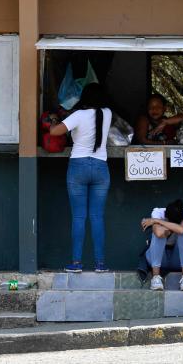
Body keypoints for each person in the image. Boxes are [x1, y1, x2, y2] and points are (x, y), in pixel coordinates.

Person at [50, 82, 112, 273]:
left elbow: (55, 132)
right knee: (97, 217)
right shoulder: (107, 113)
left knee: (79, 217)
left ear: (84, 98)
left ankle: (76, 263)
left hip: (78, 166)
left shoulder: (78, 115)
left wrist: (53, 120)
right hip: (101, 167)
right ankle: (100, 264)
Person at [140, 199, 183, 291]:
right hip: (157, 258)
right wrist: (173, 227)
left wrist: (158, 221)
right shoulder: (157, 212)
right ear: (165, 215)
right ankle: (156, 278)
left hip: (177, 260)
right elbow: (159, 233)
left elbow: (181, 230)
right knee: (158, 235)